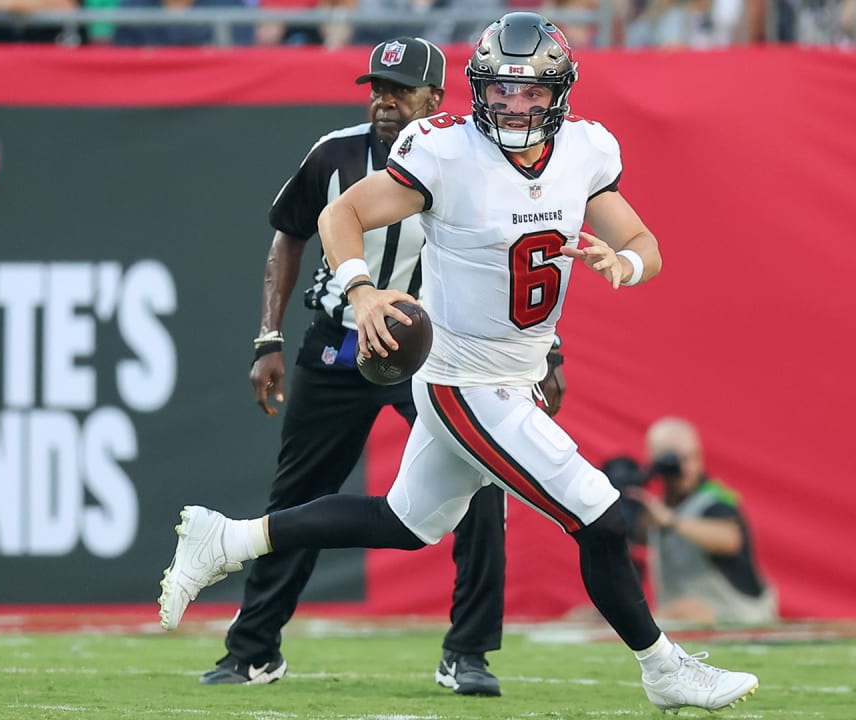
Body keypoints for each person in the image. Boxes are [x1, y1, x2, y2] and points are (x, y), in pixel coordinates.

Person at [158, 12, 760, 713]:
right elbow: (337, 218)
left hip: (516, 377)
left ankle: (227, 539)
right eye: (500, 89)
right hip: (464, 381)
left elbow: (645, 243)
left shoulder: (586, 150)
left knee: (405, 523)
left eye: (531, 91)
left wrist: (621, 262)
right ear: (477, 89)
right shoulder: (445, 151)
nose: (514, 105)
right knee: (601, 517)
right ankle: (663, 668)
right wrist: (361, 289)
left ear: (560, 91)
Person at [212, 36, 549, 696]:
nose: (384, 101)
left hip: (440, 352)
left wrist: (548, 351)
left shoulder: (475, 163)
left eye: (400, 90)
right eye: (377, 87)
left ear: (436, 98)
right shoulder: (336, 153)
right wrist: (267, 337)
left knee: (481, 489)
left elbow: (517, 252)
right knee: (298, 498)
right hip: (341, 343)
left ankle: (467, 652)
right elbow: (290, 233)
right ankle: (253, 649)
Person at [625, 417, 777, 624]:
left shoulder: (716, 498)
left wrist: (672, 521)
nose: (686, 468)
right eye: (676, 460)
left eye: (692, 457)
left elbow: (730, 540)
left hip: (738, 615)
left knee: (685, 610)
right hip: (680, 620)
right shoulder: (657, 509)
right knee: (593, 614)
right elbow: (634, 536)